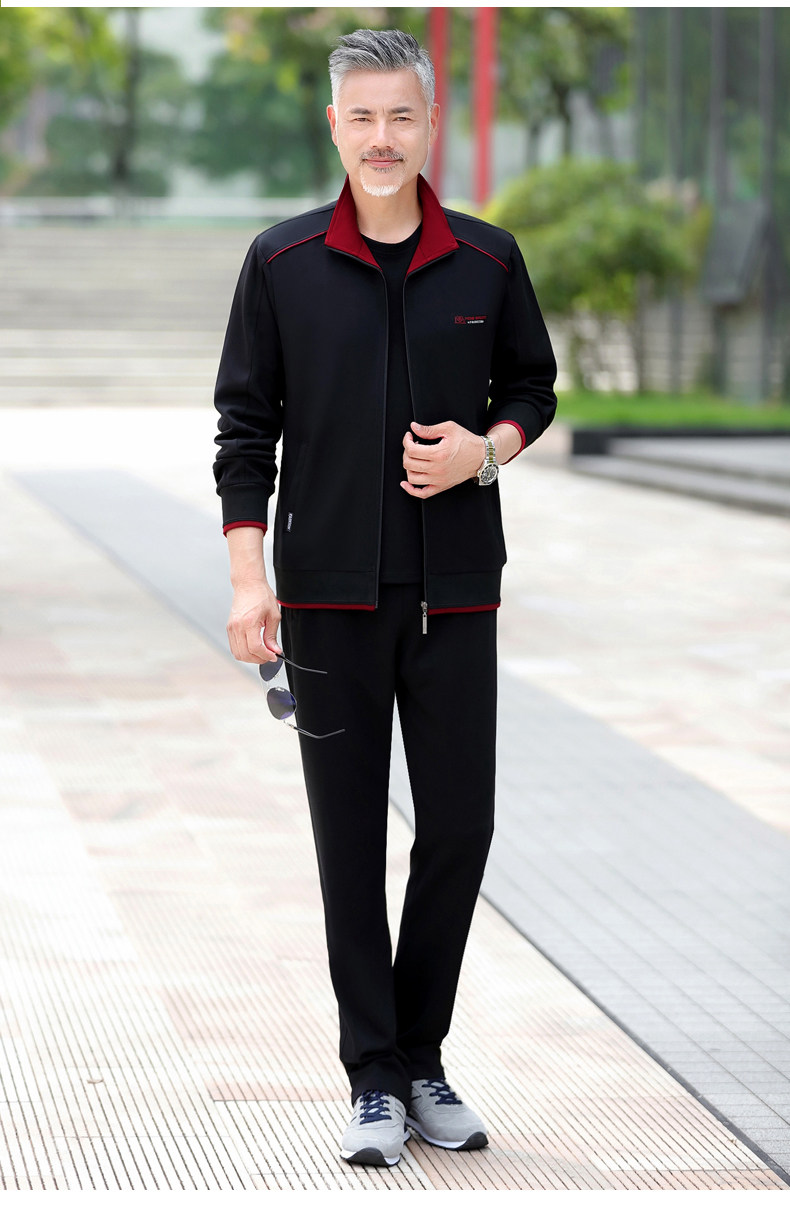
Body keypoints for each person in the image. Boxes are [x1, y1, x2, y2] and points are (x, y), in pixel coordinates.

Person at [213, 28, 557, 1168]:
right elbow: (244, 431)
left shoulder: (489, 261)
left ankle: (421, 1055)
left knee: (459, 827)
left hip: (455, 594)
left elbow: (533, 387)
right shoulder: (280, 262)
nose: (381, 137)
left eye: (400, 115)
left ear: (430, 125)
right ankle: (373, 1075)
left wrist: (483, 453)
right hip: (326, 602)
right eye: (361, 116)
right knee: (350, 843)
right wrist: (250, 582)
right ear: (334, 127)